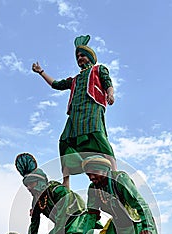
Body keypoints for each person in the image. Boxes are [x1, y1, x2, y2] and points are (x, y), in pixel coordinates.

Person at [32, 34, 116, 188]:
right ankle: (66, 181)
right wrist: (41, 72)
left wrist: (110, 93)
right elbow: (56, 84)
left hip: (92, 108)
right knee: (64, 140)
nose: (79, 58)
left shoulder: (99, 69)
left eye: (82, 55)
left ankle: (115, 172)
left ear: (90, 57)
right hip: (75, 114)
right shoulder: (75, 79)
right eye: (77, 56)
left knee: (98, 135)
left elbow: (107, 83)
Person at [75, 155, 161, 234]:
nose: (91, 178)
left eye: (94, 173)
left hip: (136, 223)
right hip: (116, 228)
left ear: (105, 170)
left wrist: (146, 226)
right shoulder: (93, 188)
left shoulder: (119, 179)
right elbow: (91, 216)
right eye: (88, 175)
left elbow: (139, 203)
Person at [15, 153, 94, 234]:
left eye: (31, 183)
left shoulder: (58, 191)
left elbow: (62, 219)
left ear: (41, 181)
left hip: (78, 218)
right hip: (61, 224)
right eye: (27, 185)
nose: (29, 188)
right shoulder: (36, 201)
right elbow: (34, 224)